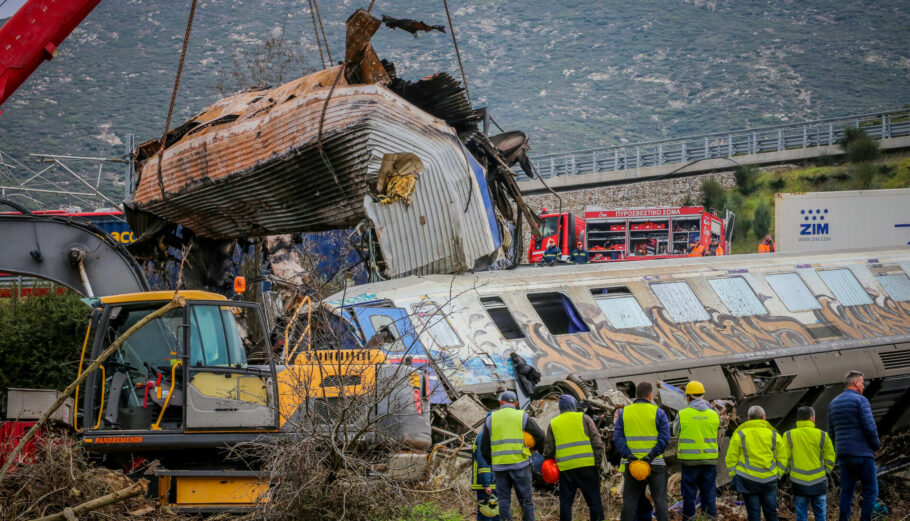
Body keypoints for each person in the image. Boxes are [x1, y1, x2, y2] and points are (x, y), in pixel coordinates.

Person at [481, 391, 545, 521]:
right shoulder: (522, 416)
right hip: (520, 465)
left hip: (500, 468)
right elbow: (540, 436)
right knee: (526, 500)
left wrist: (491, 462)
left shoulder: (490, 419)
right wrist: (537, 451)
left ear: (501, 402)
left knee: (504, 500)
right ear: (516, 403)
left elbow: (484, 447)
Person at [827, 370, 881, 521]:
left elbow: (831, 433)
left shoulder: (833, 403)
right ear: (856, 383)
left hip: (844, 455)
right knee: (870, 491)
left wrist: (839, 450)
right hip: (863, 454)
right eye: (862, 383)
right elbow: (870, 428)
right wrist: (876, 446)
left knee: (847, 492)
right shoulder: (861, 401)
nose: (863, 386)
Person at [613, 381, 670, 521]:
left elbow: (618, 438)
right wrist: (650, 456)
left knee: (630, 503)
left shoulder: (625, 413)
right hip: (655, 464)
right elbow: (664, 438)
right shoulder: (658, 412)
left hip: (632, 465)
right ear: (650, 396)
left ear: (636, 395)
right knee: (660, 501)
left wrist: (629, 456)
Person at [543, 394, 604, 521]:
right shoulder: (584, 418)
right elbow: (597, 443)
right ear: (573, 405)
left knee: (566, 503)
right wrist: (598, 465)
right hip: (587, 467)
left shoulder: (553, 424)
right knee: (594, 502)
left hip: (566, 470)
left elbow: (548, 450)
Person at [725, 406, 788, 521]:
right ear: (764, 417)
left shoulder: (740, 434)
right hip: (769, 480)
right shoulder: (774, 435)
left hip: (747, 480)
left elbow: (730, 457)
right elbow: (783, 458)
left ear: (748, 419)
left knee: (753, 514)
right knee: (771, 513)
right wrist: (778, 474)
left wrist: (735, 474)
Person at [671, 381, 719, 521]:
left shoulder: (683, 414)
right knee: (709, 493)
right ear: (703, 395)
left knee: (689, 494)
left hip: (690, 462)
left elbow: (675, 431)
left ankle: (689, 519)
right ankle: (709, 518)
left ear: (688, 397)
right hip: (709, 460)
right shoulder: (713, 414)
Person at [785, 406, 835, 521]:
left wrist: (788, 472)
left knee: (801, 515)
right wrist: (826, 471)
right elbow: (830, 457)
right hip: (819, 481)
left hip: (798, 482)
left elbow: (783, 458)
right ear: (812, 418)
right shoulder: (822, 435)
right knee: (820, 515)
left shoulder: (788, 435)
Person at [472, 422, 499, 521]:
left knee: (490, 513)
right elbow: (483, 462)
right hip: (487, 484)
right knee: (488, 514)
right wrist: (486, 484)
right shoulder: (484, 437)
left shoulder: (488, 435)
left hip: (490, 482)